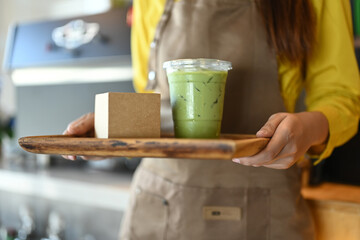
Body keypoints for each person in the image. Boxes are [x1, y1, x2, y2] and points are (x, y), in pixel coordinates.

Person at [63, 0, 360, 239]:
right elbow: (154, 98)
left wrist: (309, 129)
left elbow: (342, 96)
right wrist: (113, 121)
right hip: (159, 202)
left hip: (268, 212)